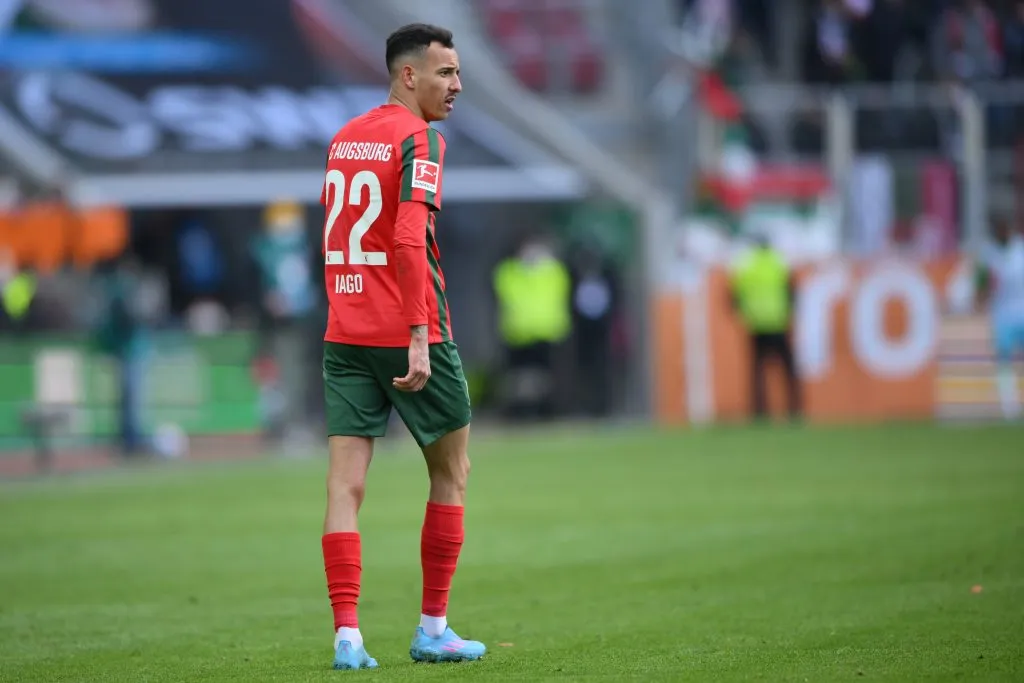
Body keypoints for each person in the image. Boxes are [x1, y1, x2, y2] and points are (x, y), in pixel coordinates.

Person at [317, 23, 484, 670]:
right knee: (451, 472)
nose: (457, 86)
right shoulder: (421, 140)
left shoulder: (342, 138)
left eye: (459, 73)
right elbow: (411, 238)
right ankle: (433, 628)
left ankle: (348, 637)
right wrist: (418, 333)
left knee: (343, 487)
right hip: (412, 328)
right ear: (407, 75)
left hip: (345, 331)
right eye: (445, 73)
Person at [729, 233, 802, 420]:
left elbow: (734, 295)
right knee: (788, 370)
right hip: (778, 323)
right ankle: (795, 409)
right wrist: (789, 312)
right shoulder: (778, 262)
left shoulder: (746, 265)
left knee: (758, 371)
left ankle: (760, 412)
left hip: (756, 324)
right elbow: (792, 290)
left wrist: (743, 314)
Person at [975, 215, 1024, 420]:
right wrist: (982, 297)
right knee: (1004, 358)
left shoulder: (1020, 249)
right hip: (1002, 315)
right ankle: (1008, 404)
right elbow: (981, 285)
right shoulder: (988, 255)